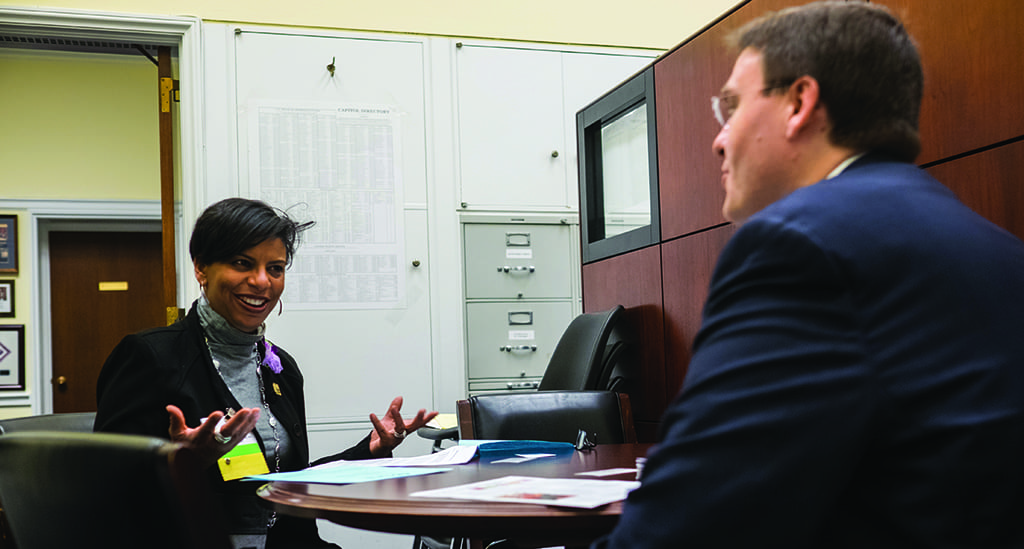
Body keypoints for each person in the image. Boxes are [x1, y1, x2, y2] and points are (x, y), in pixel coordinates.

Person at [594, 2, 1024, 547]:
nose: (718, 139)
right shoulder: (999, 247)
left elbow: (689, 525)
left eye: (732, 106)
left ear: (799, 102)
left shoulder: (798, 246)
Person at [95, 197, 438, 549]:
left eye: (275, 268)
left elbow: (287, 479)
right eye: (242, 263)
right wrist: (182, 463)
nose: (262, 282)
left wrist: (370, 449)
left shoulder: (281, 369)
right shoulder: (150, 356)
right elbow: (106, 486)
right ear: (201, 268)